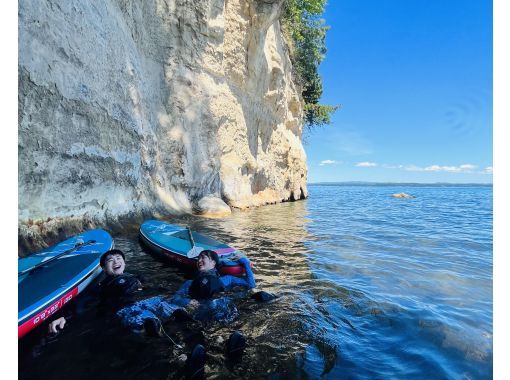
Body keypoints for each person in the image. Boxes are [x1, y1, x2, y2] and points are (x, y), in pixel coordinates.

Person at [47, 249, 143, 333]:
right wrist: (64, 316)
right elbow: (82, 301)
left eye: (118, 258)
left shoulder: (134, 277)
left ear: (124, 263)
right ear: (104, 268)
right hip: (120, 314)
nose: (115, 261)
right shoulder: (102, 286)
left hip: (139, 305)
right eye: (110, 260)